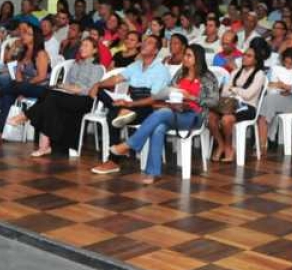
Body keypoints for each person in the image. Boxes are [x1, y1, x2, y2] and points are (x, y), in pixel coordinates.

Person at [92, 46, 219, 183]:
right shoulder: (181, 73)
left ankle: (130, 145)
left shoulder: (207, 77)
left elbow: (214, 101)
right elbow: (168, 90)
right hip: (175, 110)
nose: (185, 58)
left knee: (162, 113)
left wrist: (191, 97)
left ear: (197, 59)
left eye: (189, 56)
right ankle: (153, 173)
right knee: (158, 128)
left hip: (194, 115)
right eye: (185, 55)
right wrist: (171, 93)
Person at [19, 37, 106, 157]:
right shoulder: (75, 64)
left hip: (85, 100)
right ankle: (44, 145)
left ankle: (27, 116)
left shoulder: (97, 68)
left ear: (95, 50)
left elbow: (91, 91)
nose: (82, 48)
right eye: (81, 45)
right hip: (69, 95)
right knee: (48, 93)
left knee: (51, 97)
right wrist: (65, 87)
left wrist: (75, 89)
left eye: (86, 45)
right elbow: (68, 83)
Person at [0, 24, 51, 139]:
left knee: (12, 88)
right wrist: (20, 88)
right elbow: (18, 75)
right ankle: (0, 132)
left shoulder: (41, 53)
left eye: (28, 34)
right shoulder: (24, 52)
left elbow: (41, 76)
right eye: (25, 33)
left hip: (41, 88)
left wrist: (23, 86)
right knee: (8, 95)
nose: (24, 36)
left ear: (35, 38)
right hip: (26, 87)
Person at [208, 47, 266, 163]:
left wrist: (234, 89)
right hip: (229, 104)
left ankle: (229, 147)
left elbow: (248, 95)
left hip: (248, 106)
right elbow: (224, 91)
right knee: (210, 116)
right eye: (244, 54)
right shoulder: (235, 72)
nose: (244, 57)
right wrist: (236, 90)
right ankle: (221, 144)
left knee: (226, 120)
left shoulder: (259, 74)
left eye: (249, 56)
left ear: (256, 60)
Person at [256, 47, 292, 154]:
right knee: (267, 100)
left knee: (268, 101)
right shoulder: (278, 69)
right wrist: (275, 84)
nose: (287, 65)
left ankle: (263, 142)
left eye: (290, 63)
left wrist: (287, 87)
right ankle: (263, 142)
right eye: (285, 62)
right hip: (277, 97)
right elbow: (266, 82)